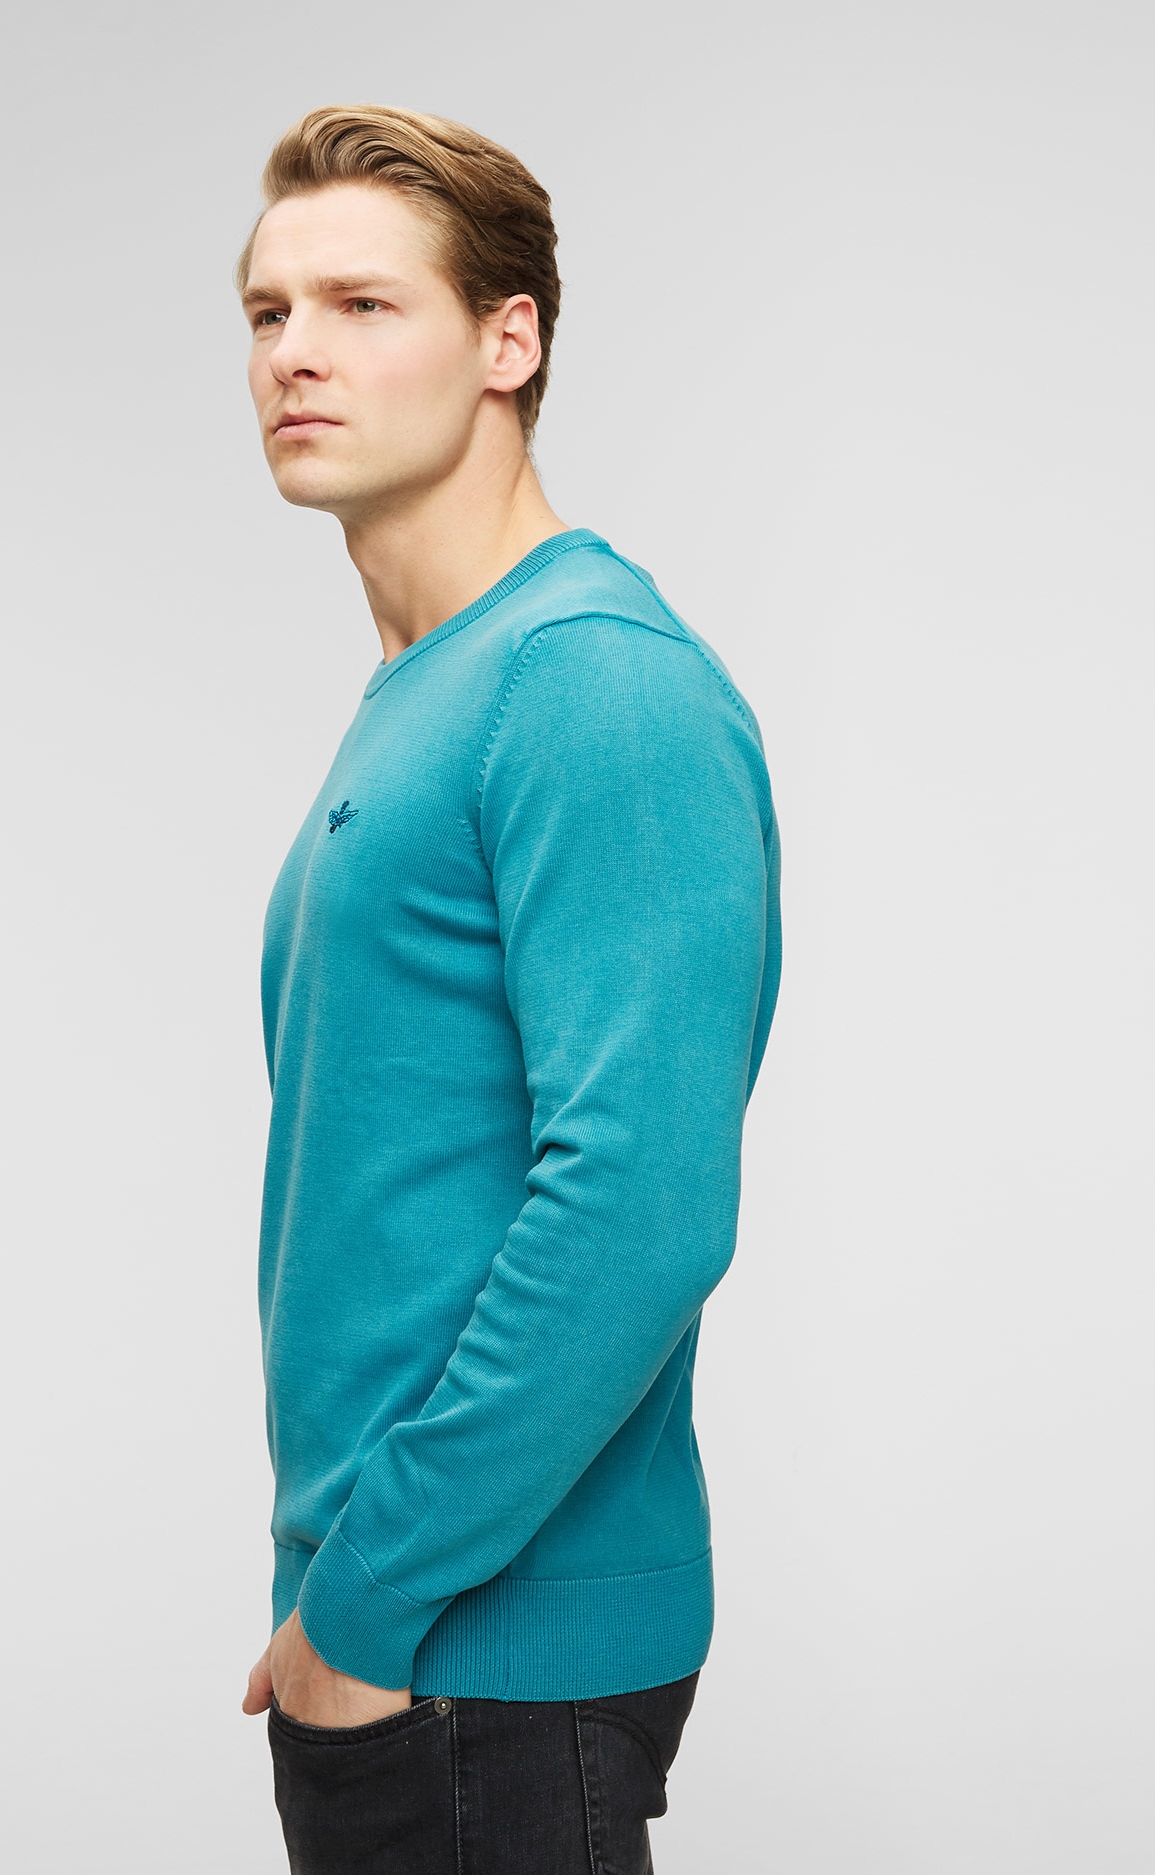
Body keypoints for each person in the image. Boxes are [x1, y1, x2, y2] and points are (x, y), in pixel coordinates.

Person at [235, 105, 781, 1875]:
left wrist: (365, 1607)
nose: (295, 351)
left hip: (480, 1659)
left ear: (509, 339)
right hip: (412, 1645)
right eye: (267, 311)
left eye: (361, 304)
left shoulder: (589, 682)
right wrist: (340, 1607)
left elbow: (641, 1203)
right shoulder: (435, 687)